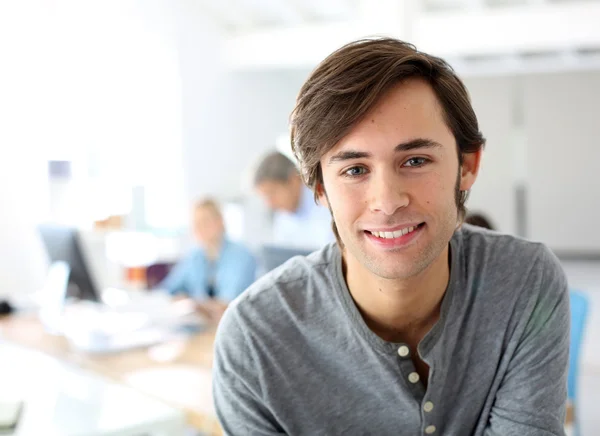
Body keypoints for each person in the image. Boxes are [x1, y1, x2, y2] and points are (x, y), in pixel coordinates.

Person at [214, 38, 569, 435]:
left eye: (415, 160)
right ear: (319, 188)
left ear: (467, 166)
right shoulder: (254, 340)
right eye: (354, 170)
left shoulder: (525, 281)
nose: (387, 201)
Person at [160, 198, 256, 322]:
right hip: (200, 325)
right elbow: (169, 290)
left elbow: (228, 304)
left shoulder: (242, 255)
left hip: (232, 323)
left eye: (205, 221)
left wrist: (197, 304)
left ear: (220, 221)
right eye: (196, 223)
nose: (200, 228)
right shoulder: (194, 256)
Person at [254, 151, 333, 250]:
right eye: (265, 197)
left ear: (294, 180)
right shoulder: (283, 218)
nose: (270, 204)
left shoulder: (327, 204)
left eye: (272, 193)